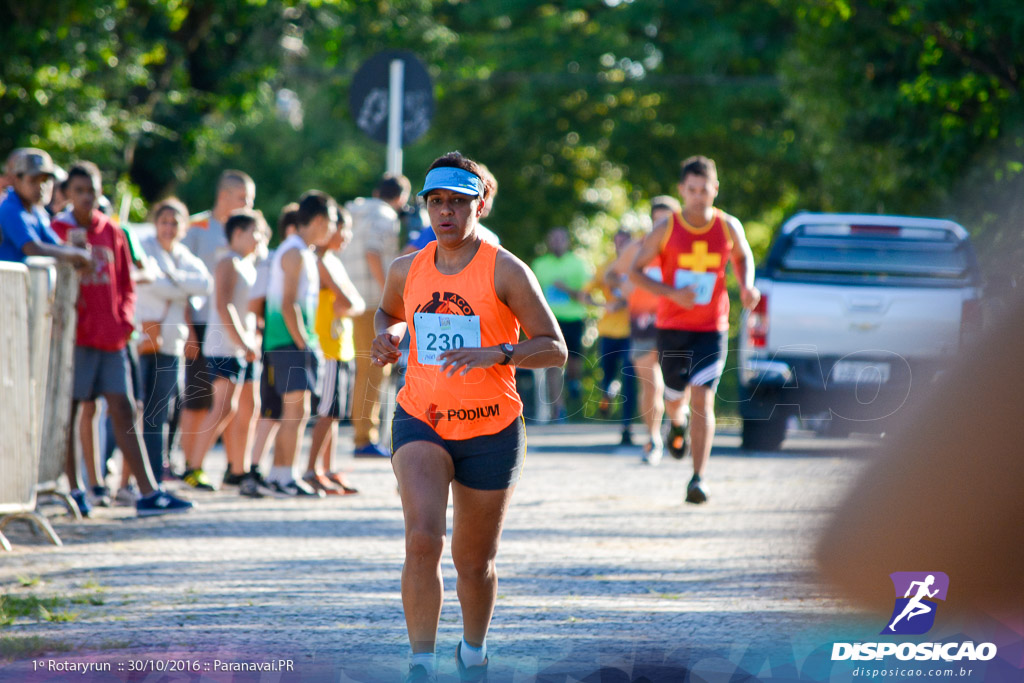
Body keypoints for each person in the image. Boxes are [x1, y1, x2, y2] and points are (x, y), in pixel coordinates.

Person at [371, 152, 567, 682]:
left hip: (491, 427)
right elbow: (389, 313)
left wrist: (500, 353)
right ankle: (420, 663)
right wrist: (388, 336)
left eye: (458, 202)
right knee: (421, 537)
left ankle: (474, 652)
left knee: (473, 562)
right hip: (422, 419)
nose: (446, 213)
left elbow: (554, 349)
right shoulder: (405, 269)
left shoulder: (505, 269)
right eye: (436, 202)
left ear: (479, 205)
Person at [51, 161, 193, 517]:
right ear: (68, 194)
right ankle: (75, 488)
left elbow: (127, 282)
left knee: (125, 408)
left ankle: (147, 492)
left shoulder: (113, 231)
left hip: (112, 338)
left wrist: (124, 319)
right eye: (79, 190)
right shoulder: (57, 230)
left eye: (92, 190)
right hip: (76, 338)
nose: (86, 197)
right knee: (69, 414)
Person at [629, 156, 760, 504]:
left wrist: (746, 286)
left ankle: (698, 477)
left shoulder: (727, 226)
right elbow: (636, 271)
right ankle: (676, 422)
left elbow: (744, 256)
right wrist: (672, 293)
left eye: (705, 190)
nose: (699, 196)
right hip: (672, 326)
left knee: (703, 398)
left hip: (711, 327)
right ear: (681, 191)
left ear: (715, 189)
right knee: (675, 397)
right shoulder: (666, 229)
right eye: (692, 190)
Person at [178, 170, 256, 490]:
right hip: (199, 325)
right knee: (198, 401)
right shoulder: (196, 228)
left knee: (232, 404)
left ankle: (232, 467)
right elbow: (181, 279)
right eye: (243, 198)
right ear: (224, 195)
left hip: (232, 332)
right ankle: (188, 465)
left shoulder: (247, 232)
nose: (248, 204)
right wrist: (188, 330)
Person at [262, 190, 337, 496]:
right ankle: (283, 477)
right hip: (288, 343)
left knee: (297, 412)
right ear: (318, 220)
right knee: (296, 412)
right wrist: (304, 343)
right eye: (331, 222)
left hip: (293, 343)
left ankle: (280, 475)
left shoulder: (302, 251)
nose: (332, 230)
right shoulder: (294, 252)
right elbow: (288, 304)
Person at [135, 198, 212, 484]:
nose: (168, 227)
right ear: (155, 223)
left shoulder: (185, 256)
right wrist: (182, 286)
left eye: (175, 222)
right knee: (131, 410)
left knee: (161, 413)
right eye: (164, 221)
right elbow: (151, 283)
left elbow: (206, 285)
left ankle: (154, 477)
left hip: (171, 344)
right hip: (143, 341)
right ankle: (118, 476)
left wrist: (171, 279)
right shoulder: (144, 247)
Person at [341, 173, 410, 458]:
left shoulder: (352, 213)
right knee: (374, 369)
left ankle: (363, 434)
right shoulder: (384, 216)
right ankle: (364, 438)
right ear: (400, 197)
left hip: (350, 298)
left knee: (363, 370)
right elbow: (373, 253)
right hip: (372, 302)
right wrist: (389, 293)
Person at [608, 196, 680, 464]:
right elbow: (611, 275)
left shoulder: (683, 249)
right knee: (651, 385)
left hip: (677, 323)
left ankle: (677, 423)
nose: (660, 224)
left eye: (666, 220)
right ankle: (653, 439)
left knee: (676, 387)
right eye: (657, 219)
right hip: (642, 324)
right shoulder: (637, 247)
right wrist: (623, 288)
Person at [305, 205, 364, 495]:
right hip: (327, 347)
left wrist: (350, 303)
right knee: (325, 412)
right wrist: (349, 303)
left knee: (337, 413)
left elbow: (357, 302)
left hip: (343, 346)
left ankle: (327, 469)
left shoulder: (335, 261)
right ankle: (311, 469)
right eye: (344, 228)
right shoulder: (319, 261)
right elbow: (347, 300)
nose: (348, 235)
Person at [531, 227, 593, 422]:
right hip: (549, 320)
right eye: (553, 239)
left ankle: (574, 382)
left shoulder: (579, 265)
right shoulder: (539, 265)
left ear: (567, 241)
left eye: (561, 239)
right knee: (553, 363)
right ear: (549, 241)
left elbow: (585, 297)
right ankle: (559, 409)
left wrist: (565, 289)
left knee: (574, 362)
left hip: (573, 318)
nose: (557, 242)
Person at [0, 148, 91, 267]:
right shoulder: (10, 209)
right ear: (17, 179)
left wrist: (74, 249)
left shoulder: (35, 211)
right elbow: (33, 249)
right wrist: (75, 254)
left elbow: (54, 244)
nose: (41, 187)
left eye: (45, 180)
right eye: (33, 180)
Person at [588, 228, 637, 447]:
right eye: (618, 242)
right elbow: (585, 293)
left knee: (630, 377)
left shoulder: (639, 265)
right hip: (607, 331)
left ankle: (627, 426)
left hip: (632, 332)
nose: (621, 247)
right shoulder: (606, 267)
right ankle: (609, 393)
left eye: (625, 242)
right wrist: (602, 305)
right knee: (607, 378)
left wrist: (625, 303)